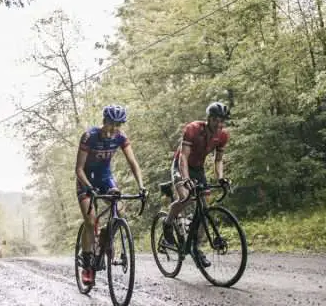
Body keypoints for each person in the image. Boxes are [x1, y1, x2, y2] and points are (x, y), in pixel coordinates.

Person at [75, 104, 146, 285]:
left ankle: (105, 240)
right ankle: (87, 263)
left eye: (118, 125)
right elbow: (79, 169)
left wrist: (141, 186)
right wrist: (89, 188)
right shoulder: (89, 136)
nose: (114, 129)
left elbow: (133, 162)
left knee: (120, 211)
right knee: (90, 221)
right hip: (86, 180)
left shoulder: (120, 137)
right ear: (104, 121)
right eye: (111, 124)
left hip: (105, 178)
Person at [160, 101, 231, 267]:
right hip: (181, 165)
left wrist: (220, 178)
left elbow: (218, 159)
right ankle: (168, 223)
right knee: (186, 197)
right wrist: (185, 179)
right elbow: (183, 157)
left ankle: (196, 248)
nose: (219, 125)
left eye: (222, 121)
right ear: (209, 119)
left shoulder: (223, 136)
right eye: (216, 120)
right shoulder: (193, 129)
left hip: (198, 169)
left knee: (204, 208)